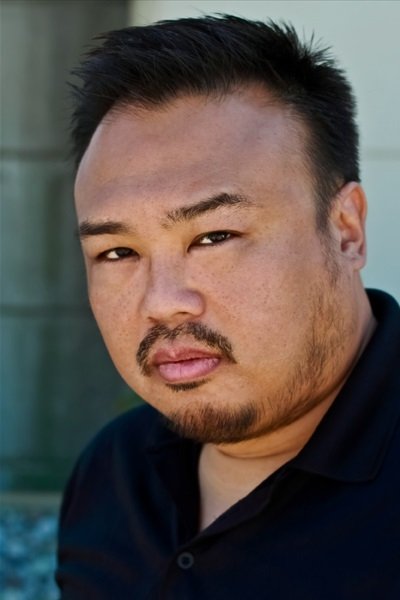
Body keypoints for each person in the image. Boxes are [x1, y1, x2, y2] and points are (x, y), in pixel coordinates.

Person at [56, 15, 400, 599]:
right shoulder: (113, 471)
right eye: (118, 251)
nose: (162, 302)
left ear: (345, 230)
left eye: (214, 237)